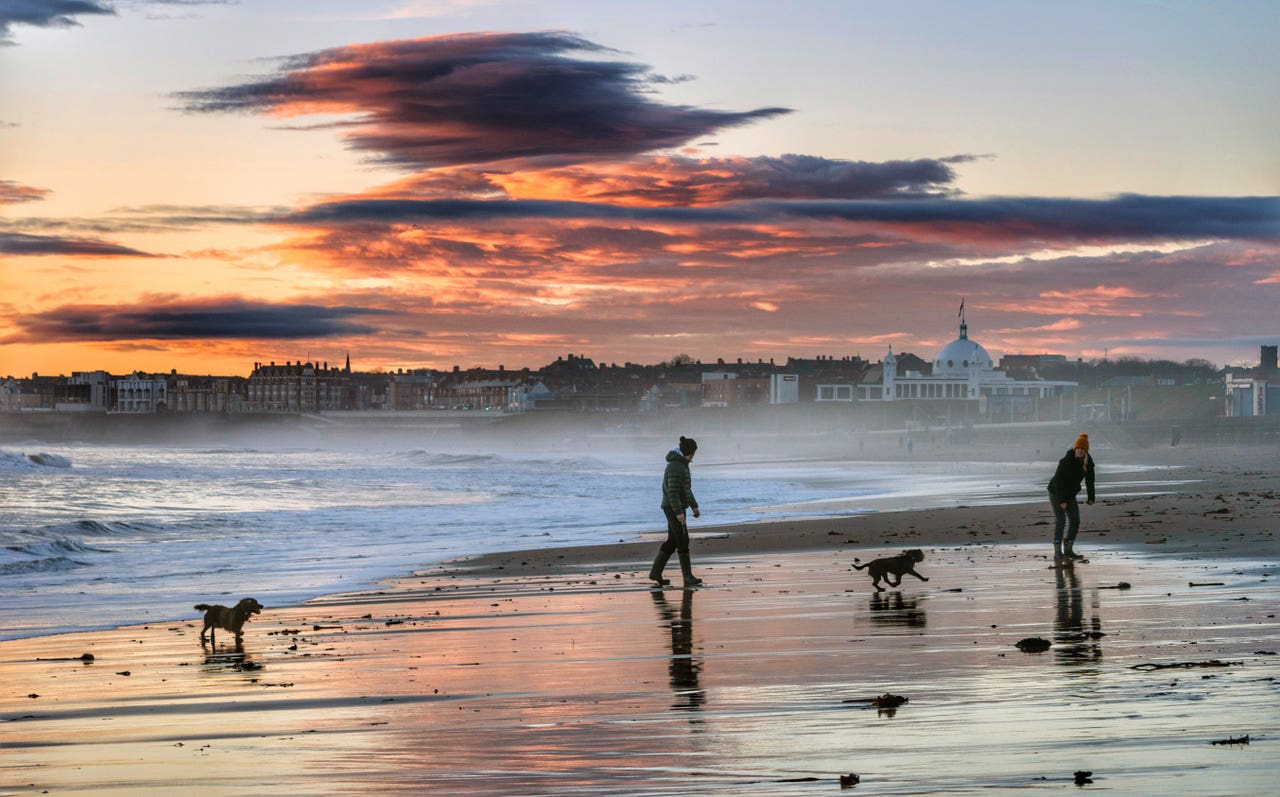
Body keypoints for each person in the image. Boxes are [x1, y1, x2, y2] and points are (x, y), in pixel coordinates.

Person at [649, 436, 702, 588]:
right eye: (693, 452)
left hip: (677, 506)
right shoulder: (675, 466)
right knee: (683, 540)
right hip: (672, 508)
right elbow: (672, 492)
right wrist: (678, 512)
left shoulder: (682, 464)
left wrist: (694, 506)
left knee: (673, 541)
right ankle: (688, 576)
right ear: (689, 451)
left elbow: (686, 489)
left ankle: (655, 573)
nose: (694, 455)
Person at [1047, 433, 1096, 563]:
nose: (1079, 451)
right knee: (1061, 520)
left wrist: (1091, 497)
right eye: (1078, 448)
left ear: (1086, 450)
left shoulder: (1088, 462)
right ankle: (1058, 552)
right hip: (1056, 492)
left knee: (1075, 520)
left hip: (1070, 494)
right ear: (1075, 449)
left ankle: (1068, 549)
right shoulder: (1067, 460)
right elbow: (1058, 481)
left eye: (1082, 449)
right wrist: (1062, 500)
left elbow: (1090, 481)